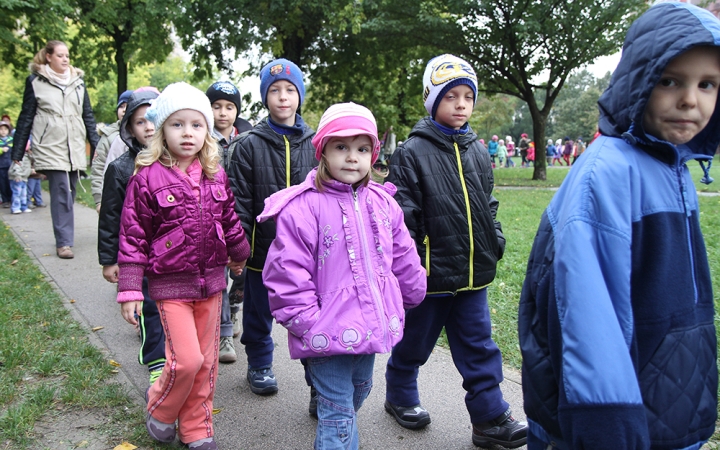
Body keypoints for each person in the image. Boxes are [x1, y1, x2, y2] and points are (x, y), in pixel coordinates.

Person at [519, 3, 720, 449]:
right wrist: (605, 420)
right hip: (613, 423)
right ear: (639, 79)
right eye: (670, 80)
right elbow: (588, 313)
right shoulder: (607, 175)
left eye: (707, 84)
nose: (691, 99)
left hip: (665, 410)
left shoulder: (671, 164)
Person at [259, 102, 427, 450]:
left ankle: (330, 410)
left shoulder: (383, 203)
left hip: (368, 323)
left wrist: (412, 291)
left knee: (360, 389)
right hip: (324, 328)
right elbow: (287, 270)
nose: (353, 157)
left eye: (362, 149)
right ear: (322, 151)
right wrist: (306, 321)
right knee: (337, 415)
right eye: (342, 147)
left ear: (373, 154)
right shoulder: (304, 207)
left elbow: (404, 251)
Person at [383, 54, 527, 449]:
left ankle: (490, 417)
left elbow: (488, 202)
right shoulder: (411, 151)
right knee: (414, 343)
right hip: (429, 276)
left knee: (480, 344)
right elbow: (403, 216)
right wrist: (412, 264)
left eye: (467, 96)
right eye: (451, 97)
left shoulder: (478, 149)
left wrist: (494, 240)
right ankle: (399, 393)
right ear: (432, 100)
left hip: (473, 273)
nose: (461, 104)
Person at [116, 82, 250, 449]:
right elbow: (132, 236)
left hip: (211, 282)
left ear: (207, 131)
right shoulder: (146, 177)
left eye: (196, 124)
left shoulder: (214, 174)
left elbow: (229, 220)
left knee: (206, 364)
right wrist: (129, 288)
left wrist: (239, 254)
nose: (187, 133)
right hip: (170, 284)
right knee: (185, 361)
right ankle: (160, 408)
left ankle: (196, 428)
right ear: (162, 131)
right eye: (177, 125)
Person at [227, 58, 317, 401]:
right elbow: (240, 202)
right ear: (265, 97)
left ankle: (319, 380)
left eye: (290, 90)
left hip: (306, 257)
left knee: (310, 317)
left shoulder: (315, 144)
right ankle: (260, 364)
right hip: (261, 254)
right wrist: (239, 250)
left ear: (299, 96)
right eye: (275, 90)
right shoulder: (249, 145)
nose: (283, 97)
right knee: (258, 315)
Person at [98, 89, 166, 385]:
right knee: (149, 308)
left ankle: (178, 355)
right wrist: (109, 259)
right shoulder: (120, 168)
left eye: (153, 120)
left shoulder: (175, 162)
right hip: (138, 253)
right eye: (140, 122)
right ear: (129, 129)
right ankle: (156, 361)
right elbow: (110, 216)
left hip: (172, 252)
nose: (148, 127)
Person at [12, 40, 100, 259]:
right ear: (48, 56)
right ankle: (64, 243)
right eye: (60, 55)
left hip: (75, 144)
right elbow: (25, 117)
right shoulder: (35, 82)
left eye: (67, 55)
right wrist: (18, 151)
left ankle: (64, 234)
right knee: (61, 189)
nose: (65, 59)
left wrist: (96, 145)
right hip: (50, 144)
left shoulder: (78, 82)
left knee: (69, 190)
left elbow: (87, 115)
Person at [205, 80, 248, 363]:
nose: (222, 112)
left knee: (243, 273)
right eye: (216, 106)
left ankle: (233, 306)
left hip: (243, 214)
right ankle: (223, 333)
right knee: (219, 274)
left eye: (229, 107)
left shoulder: (247, 138)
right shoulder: (201, 137)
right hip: (214, 217)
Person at [91, 89, 132, 213]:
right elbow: (98, 167)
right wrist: (99, 199)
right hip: (112, 193)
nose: (124, 109)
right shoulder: (108, 136)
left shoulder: (144, 134)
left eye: (128, 105)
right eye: (121, 106)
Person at [8, 145, 32, 214]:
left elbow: (26, 167)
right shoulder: (21, 156)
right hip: (17, 177)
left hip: (24, 178)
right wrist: (17, 175)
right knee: (17, 193)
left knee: (24, 194)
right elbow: (17, 165)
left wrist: (31, 171)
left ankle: (23, 207)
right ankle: (15, 208)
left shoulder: (28, 157)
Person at [0, 120, 13, 207]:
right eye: (1, 129)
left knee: (11, 183)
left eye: (5, 129)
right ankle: (5, 200)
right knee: (2, 184)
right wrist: (1, 150)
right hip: (1, 166)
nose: (3, 131)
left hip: (10, 165)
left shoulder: (11, 140)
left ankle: (12, 199)